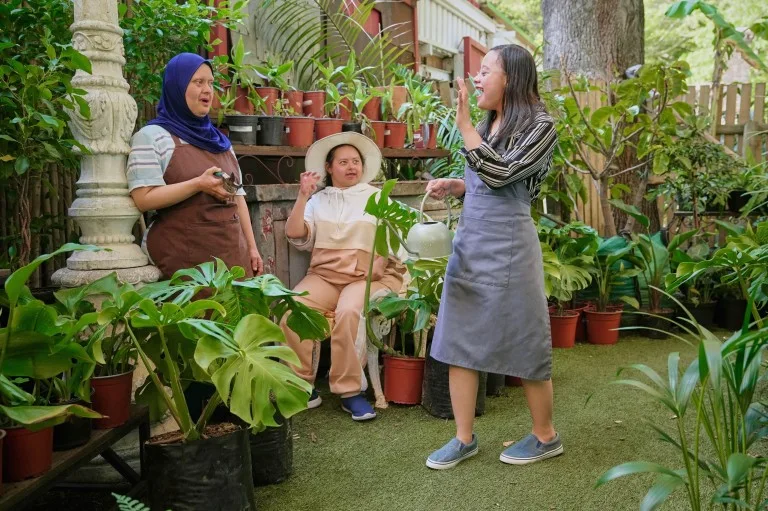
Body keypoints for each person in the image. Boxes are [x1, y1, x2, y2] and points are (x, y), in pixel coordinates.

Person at [424, 44, 561, 469]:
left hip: (510, 248)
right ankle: (464, 438)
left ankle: (545, 436)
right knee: (457, 337)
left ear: (512, 78)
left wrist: (465, 127)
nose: (477, 78)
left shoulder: (541, 125)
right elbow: (486, 177)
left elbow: (504, 175)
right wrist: (458, 185)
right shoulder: (492, 122)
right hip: (472, 241)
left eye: (485, 71)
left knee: (526, 339)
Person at [282, 132, 405, 421]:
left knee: (349, 312)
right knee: (293, 309)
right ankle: (301, 386)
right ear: (329, 167)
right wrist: (303, 195)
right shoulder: (317, 200)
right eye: (343, 162)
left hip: (365, 278)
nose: (351, 167)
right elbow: (296, 234)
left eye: (356, 162)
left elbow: (396, 239)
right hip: (324, 276)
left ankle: (349, 392)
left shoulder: (377, 197)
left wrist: (379, 263)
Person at [127, 52, 263, 279]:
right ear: (176, 87)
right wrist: (198, 184)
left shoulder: (221, 142)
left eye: (210, 83)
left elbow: (238, 197)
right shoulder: (153, 137)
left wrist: (252, 247)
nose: (208, 90)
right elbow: (143, 199)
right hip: (186, 260)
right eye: (198, 82)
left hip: (233, 256)